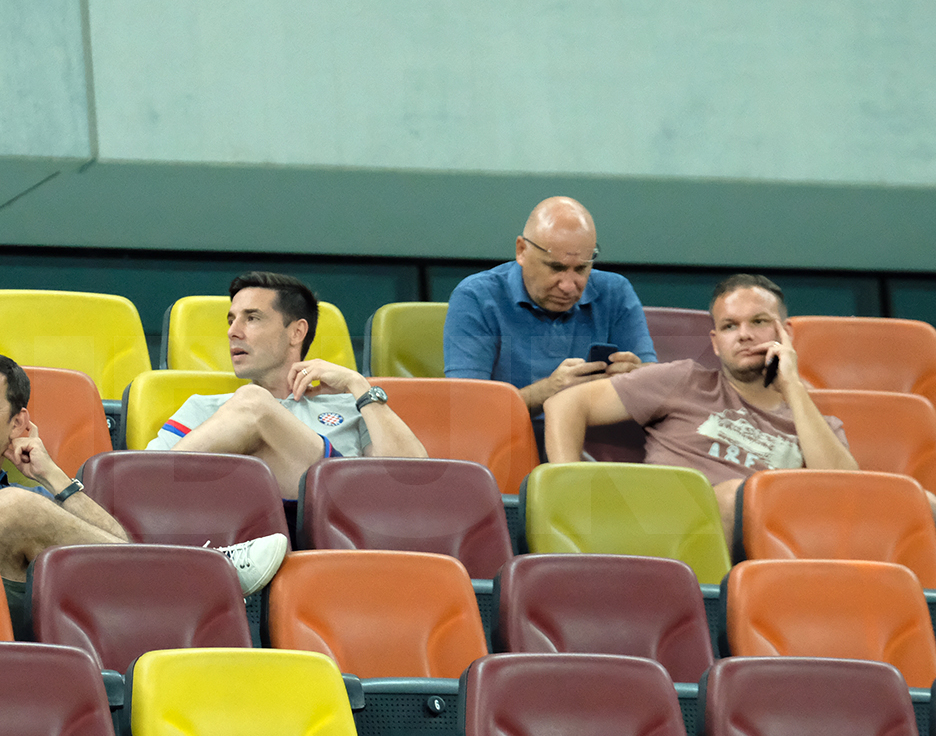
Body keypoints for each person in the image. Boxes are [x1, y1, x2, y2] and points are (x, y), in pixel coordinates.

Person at [0, 347, 289, 636]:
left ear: (17, 422)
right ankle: (201, 573)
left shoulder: (37, 503)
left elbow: (119, 547)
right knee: (10, 510)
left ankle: (192, 574)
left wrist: (51, 475)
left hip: (22, 619)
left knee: (22, 513)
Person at [543, 273, 857, 544]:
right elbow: (565, 403)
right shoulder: (683, 380)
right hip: (665, 533)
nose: (744, 334)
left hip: (764, 549)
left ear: (785, 333)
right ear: (716, 341)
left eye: (759, 321)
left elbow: (848, 496)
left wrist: (794, 388)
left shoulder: (815, 425)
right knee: (737, 496)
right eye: (730, 326)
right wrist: (571, 490)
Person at [146, 272, 428, 498]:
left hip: (331, 515)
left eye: (252, 318)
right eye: (231, 320)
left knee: (254, 403)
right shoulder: (203, 407)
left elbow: (413, 478)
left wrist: (359, 385)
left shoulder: (353, 407)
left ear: (296, 332)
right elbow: (139, 475)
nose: (233, 331)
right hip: (232, 530)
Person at [444, 196, 657, 414]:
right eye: (556, 268)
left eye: (581, 269)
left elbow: (657, 390)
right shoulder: (476, 297)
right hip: (508, 441)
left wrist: (637, 380)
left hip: (595, 441)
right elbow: (467, 410)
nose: (568, 286)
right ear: (521, 251)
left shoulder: (615, 292)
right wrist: (547, 391)